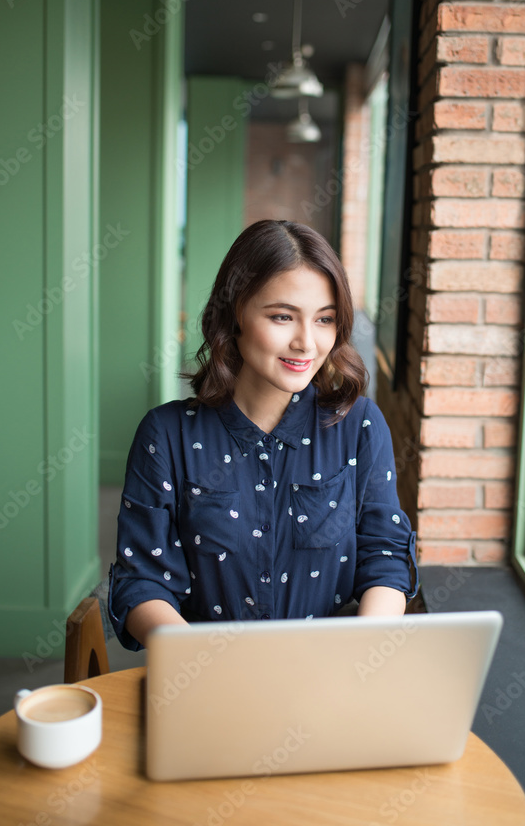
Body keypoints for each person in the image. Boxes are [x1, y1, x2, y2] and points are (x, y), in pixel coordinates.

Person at [108, 219, 418, 649]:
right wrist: (203, 663)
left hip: (329, 679)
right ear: (235, 314)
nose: (307, 342)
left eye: (325, 319)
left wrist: (359, 653)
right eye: (282, 317)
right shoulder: (165, 435)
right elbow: (142, 580)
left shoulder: (360, 427)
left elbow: (385, 557)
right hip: (203, 680)